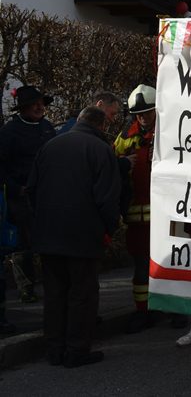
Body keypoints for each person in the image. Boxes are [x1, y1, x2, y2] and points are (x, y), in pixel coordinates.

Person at [27, 106, 120, 367]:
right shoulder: (100, 150)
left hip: (48, 233)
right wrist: (108, 229)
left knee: (55, 295)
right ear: (101, 125)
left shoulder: (50, 146)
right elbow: (107, 198)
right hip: (83, 235)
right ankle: (77, 350)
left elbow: (31, 189)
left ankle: (55, 349)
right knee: (82, 294)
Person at [0, 85, 57, 309]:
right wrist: (15, 188)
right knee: (24, 243)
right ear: (23, 107)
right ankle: (26, 289)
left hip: (46, 194)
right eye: (35, 103)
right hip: (21, 195)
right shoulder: (9, 132)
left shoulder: (47, 128)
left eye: (41, 103)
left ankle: (52, 285)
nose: (39, 107)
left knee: (48, 240)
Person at [113, 85, 158, 333]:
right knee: (141, 269)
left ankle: (176, 310)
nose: (143, 118)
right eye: (139, 114)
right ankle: (143, 311)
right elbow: (110, 165)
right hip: (136, 219)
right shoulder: (125, 137)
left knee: (170, 266)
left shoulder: (170, 131)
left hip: (166, 216)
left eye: (148, 113)